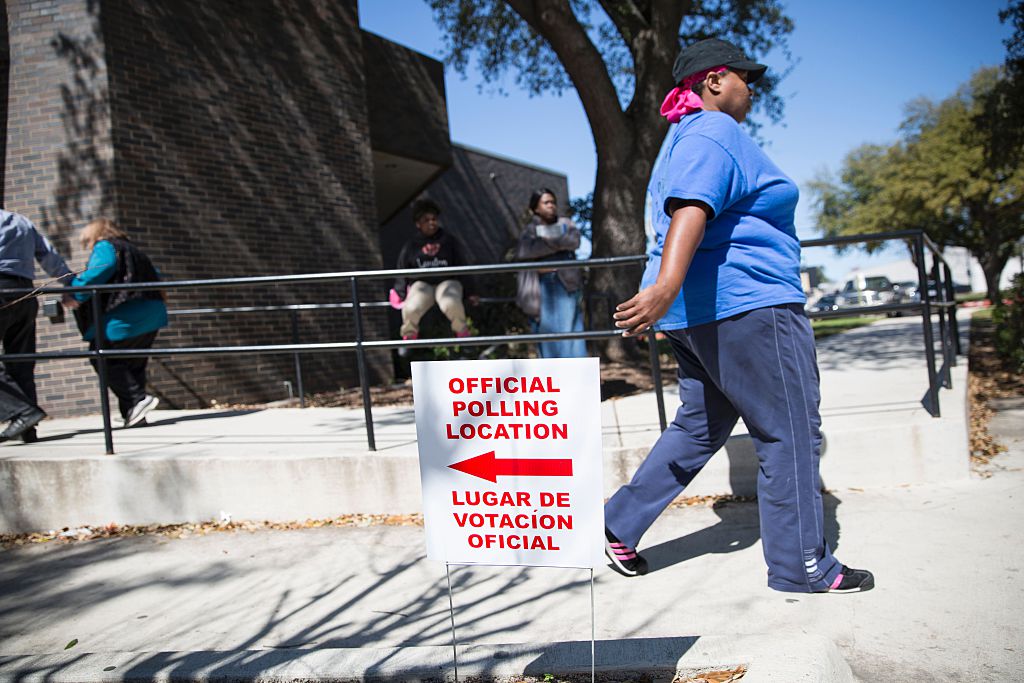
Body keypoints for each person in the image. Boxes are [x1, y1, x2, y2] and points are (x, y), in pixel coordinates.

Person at [603, 38, 874, 593]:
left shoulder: (680, 138)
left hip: (700, 315)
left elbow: (682, 210)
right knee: (790, 431)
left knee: (699, 428)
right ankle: (803, 565)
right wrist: (664, 287)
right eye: (746, 78)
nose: (753, 89)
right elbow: (691, 209)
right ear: (714, 80)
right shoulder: (715, 130)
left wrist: (665, 294)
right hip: (749, 305)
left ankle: (617, 523)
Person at [71, 219, 167, 428]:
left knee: (102, 356)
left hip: (126, 312)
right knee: (133, 362)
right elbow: (157, 275)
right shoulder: (134, 249)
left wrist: (74, 293)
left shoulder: (106, 246)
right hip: (152, 310)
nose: (88, 246)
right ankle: (133, 414)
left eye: (87, 241)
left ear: (95, 234)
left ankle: (137, 400)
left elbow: (97, 271)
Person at [0, 209, 77, 442]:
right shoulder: (20, 220)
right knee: (21, 361)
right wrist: (70, 283)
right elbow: (48, 255)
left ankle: (22, 412)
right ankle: (27, 429)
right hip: (25, 292)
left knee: (19, 361)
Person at [391, 199, 476, 343]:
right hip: (422, 285)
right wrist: (400, 292)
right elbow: (402, 268)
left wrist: (471, 291)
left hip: (447, 282)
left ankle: (462, 333)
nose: (431, 223)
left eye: (434, 219)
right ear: (418, 224)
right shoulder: (412, 245)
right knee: (411, 307)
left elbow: (463, 264)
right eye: (426, 220)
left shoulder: (449, 241)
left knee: (451, 303)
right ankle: (409, 335)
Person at [515, 189, 586, 358]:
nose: (551, 206)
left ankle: (577, 376)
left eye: (553, 202)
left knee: (573, 331)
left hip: (569, 283)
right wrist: (560, 243)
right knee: (551, 333)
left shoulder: (566, 223)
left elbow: (574, 241)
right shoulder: (530, 229)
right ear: (536, 208)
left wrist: (545, 243)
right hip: (544, 284)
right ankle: (557, 377)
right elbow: (525, 251)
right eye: (546, 202)